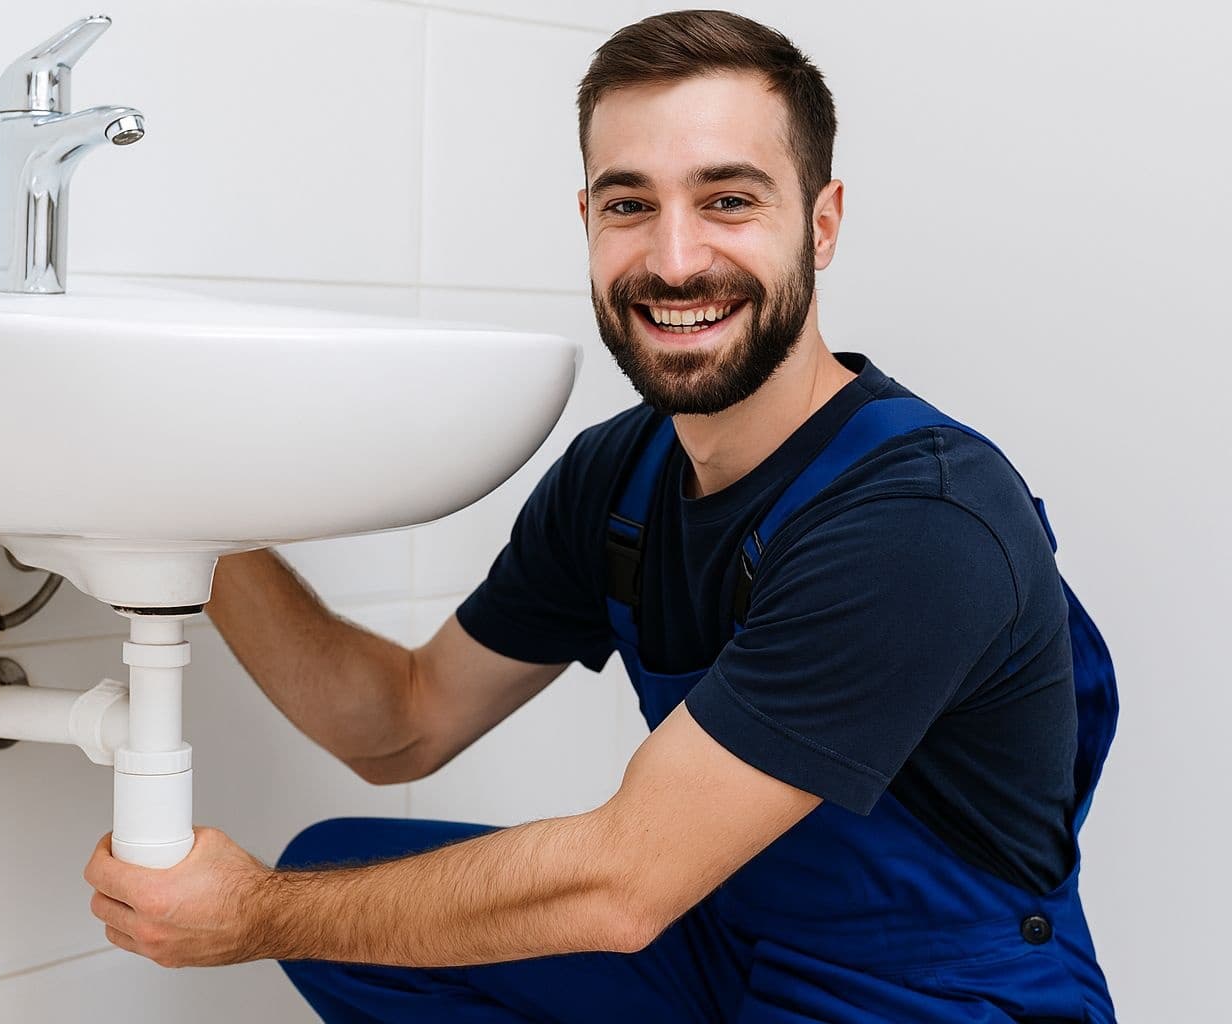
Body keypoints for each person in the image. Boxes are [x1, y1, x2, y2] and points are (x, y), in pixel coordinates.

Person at [82, 10, 1117, 1021]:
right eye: (630, 206)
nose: (673, 261)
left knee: (328, 900)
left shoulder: (917, 520)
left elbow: (625, 884)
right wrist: (193, 509)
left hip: (935, 994)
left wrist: (259, 915)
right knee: (343, 877)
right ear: (586, 222)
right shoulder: (621, 477)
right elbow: (402, 724)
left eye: (728, 201)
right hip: (727, 953)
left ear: (823, 221)